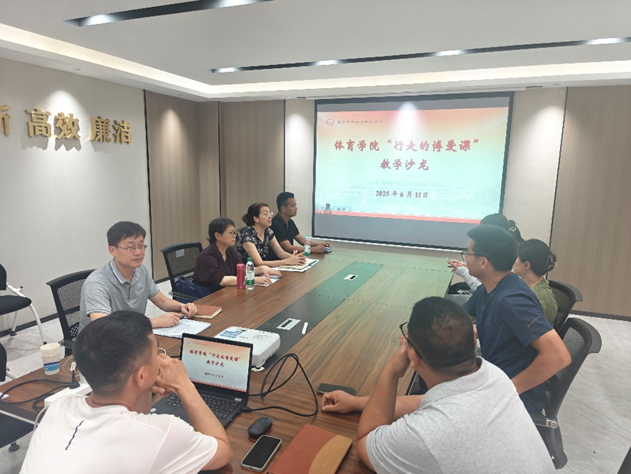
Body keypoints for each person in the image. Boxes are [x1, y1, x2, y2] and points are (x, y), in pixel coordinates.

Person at [322, 297, 555, 474]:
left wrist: (391, 372)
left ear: (413, 358)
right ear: (474, 341)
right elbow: (426, 402)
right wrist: (356, 402)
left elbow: (367, 442)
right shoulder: (494, 376)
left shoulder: (424, 436)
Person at [20, 311, 232, 473]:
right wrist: (184, 386)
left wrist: (143, 386)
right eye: (156, 353)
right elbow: (222, 452)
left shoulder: (58, 408)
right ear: (141, 375)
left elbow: (131, 417)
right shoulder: (160, 433)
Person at [461, 225, 570, 414]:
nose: (465, 258)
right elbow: (458, 316)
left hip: (515, 400)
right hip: (492, 376)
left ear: (483, 262)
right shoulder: (487, 289)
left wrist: (506, 391)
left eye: (467, 254)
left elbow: (558, 356)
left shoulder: (513, 301)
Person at [79, 221, 197, 332]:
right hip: (100, 342)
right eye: (131, 247)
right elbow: (103, 326)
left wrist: (182, 306)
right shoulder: (97, 283)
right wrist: (154, 322)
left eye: (141, 246)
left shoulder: (141, 271)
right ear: (112, 250)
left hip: (133, 334)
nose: (138, 252)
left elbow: (162, 301)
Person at [193, 217, 281, 293]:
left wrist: (261, 269)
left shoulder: (229, 250)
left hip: (227, 291)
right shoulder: (207, 255)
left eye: (234, 233)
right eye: (230, 233)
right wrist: (252, 279)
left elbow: (242, 269)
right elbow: (222, 280)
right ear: (218, 235)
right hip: (209, 296)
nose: (234, 236)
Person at [447, 214, 524, 295]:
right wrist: (468, 266)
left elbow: (489, 289)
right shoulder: (499, 248)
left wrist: (465, 273)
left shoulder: (509, 256)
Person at [236, 202, 306, 267]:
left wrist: (295, 258)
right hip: (249, 272)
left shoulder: (268, 232)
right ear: (256, 219)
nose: (270, 217)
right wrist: (287, 261)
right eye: (266, 214)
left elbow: (280, 253)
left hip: (264, 270)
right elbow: (259, 263)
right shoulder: (247, 236)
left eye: (270, 213)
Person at [513, 239, 559, 325]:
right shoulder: (538, 284)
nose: (513, 261)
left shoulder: (533, 298)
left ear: (526, 265)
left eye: (516, 257)